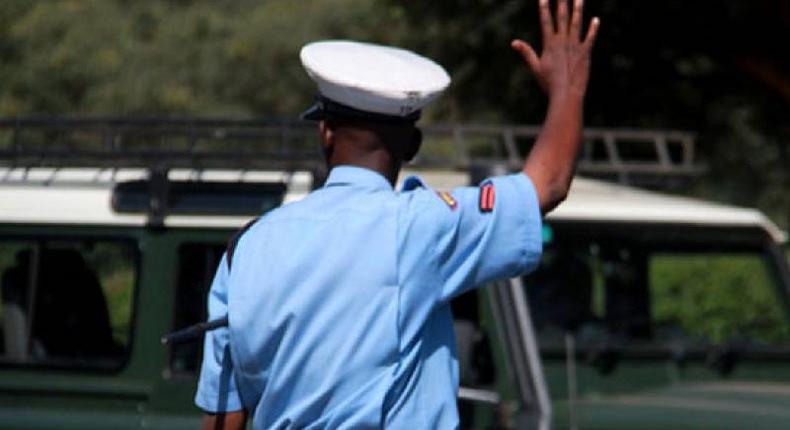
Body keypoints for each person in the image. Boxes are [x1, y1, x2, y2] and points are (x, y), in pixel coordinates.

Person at [197, 0, 599, 428]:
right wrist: (567, 89)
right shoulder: (422, 226)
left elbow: (225, 417)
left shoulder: (246, 249)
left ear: (325, 133)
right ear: (412, 146)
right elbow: (549, 182)